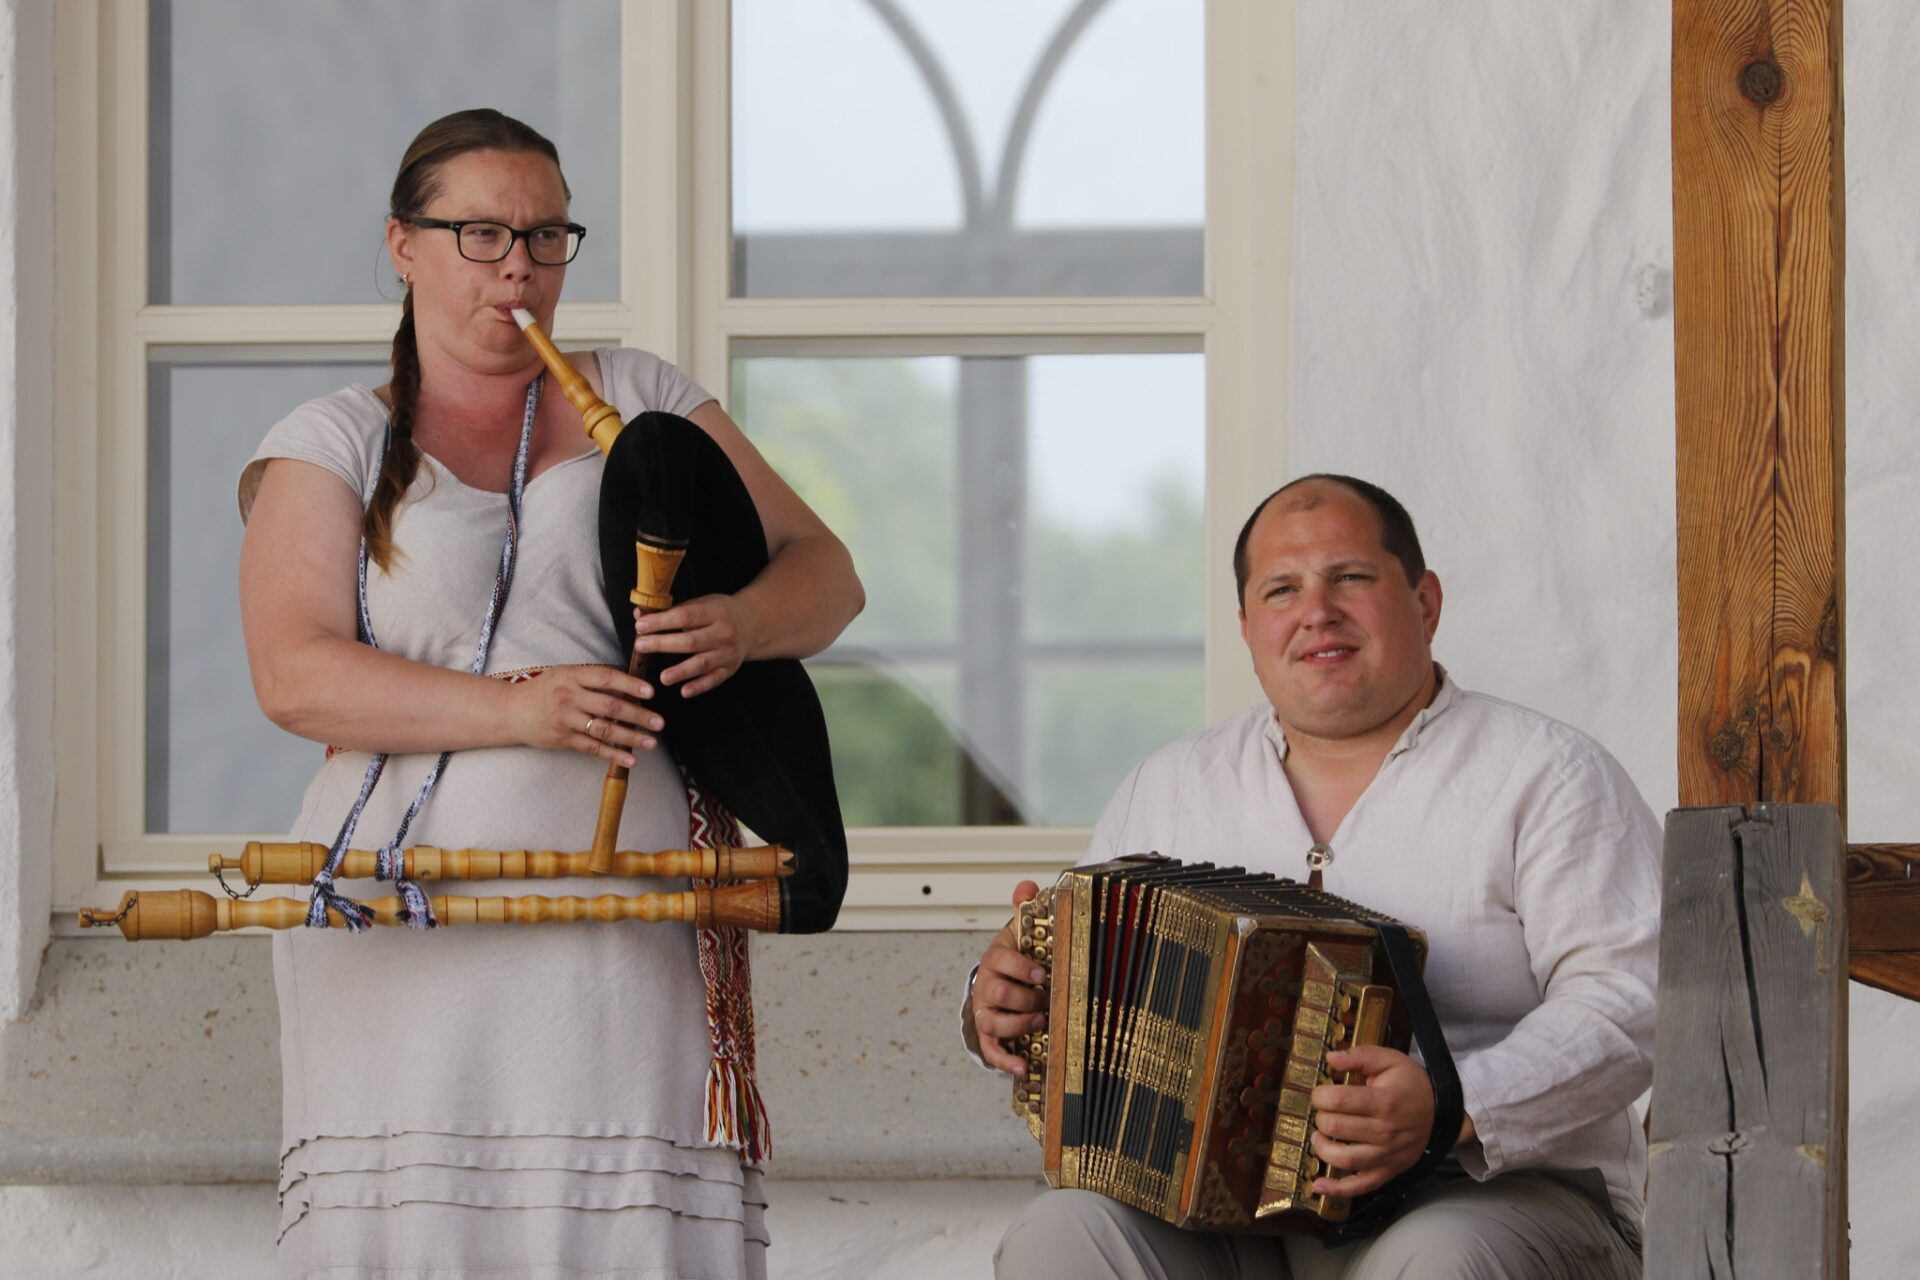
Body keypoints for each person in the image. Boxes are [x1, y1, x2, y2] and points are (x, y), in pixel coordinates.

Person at [237, 108, 862, 1278]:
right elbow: (292, 673)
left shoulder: (644, 395)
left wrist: (741, 623)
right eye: (480, 233)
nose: (519, 266)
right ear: (403, 245)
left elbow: (828, 575)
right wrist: (519, 712)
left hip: (621, 908)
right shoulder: (331, 439)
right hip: (397, 915)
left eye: (545, 236)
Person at [965, 475, 1658, 1279]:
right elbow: (1087, 990)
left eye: (1350, 578)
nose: (1317, 612)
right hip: (1218, 1218)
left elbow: (1634, 1000)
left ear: (1426, 602)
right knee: (1064, 1231)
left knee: (1440, 1259)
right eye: (1282, 589)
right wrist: (1005, 997)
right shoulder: (1169, 787)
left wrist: (1451, 1102)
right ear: (1247, 626)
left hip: (1491, 1193)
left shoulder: (1550, 774)